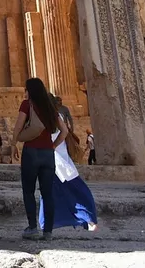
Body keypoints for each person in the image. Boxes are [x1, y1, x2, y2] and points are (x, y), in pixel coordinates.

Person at [40, 99, 101, 232]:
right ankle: (48, 223)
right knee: (51, 192)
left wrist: (52, 146)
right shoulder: (48, 117)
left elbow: (63, 132)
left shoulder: (53, 117)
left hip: (59, 161)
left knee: (72, 190)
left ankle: (86, 217)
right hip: (53, 161)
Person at [15, 77, 62, 241]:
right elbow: (64, 131)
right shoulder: (50, 107)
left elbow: (19, 125)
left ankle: (32, 228)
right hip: (48, 154)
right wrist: (53, 145)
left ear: (30, 90)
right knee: (47, 193)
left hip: (31, 152)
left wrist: (13, 143)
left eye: (26, 89)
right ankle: (48, 231)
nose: (24, 92)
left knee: (28, 192)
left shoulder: (27, 105)